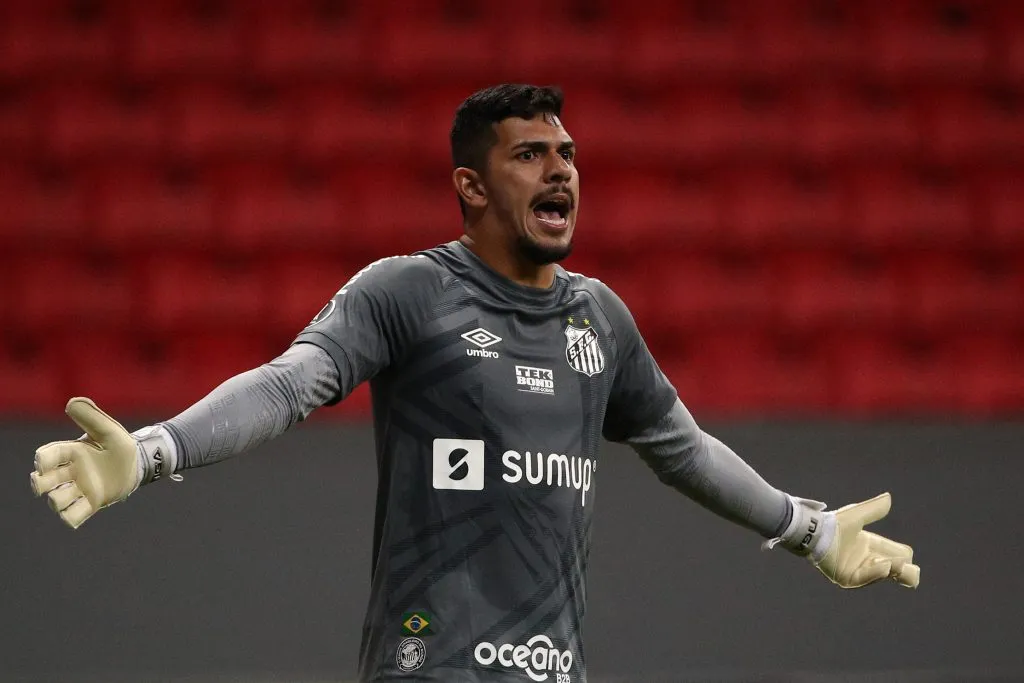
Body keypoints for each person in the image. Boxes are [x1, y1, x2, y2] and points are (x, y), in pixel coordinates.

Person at [29, 84, 919, 683]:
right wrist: (152, 450)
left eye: (567, 152)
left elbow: (682, 448)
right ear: (472, 185)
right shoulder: (408, 292)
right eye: (530, 154)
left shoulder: (600, 319)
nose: (561, 168)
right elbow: (288, 383)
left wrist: (810, 527)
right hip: (429, 666)